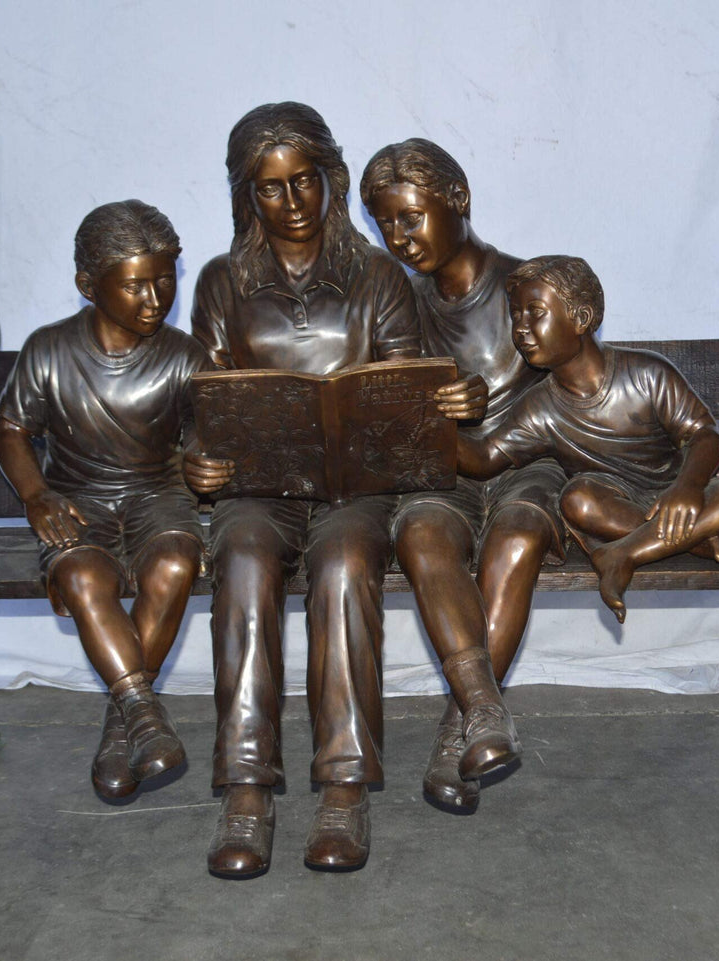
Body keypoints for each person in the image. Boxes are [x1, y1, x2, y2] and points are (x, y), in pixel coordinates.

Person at [184, 103, 481, 877]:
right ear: (246, 196)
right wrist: (200, 462)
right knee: (243, 558)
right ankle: (246, 787)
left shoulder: (377, 276)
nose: (290, 202)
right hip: (260, 485)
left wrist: (425, 409)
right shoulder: (222, 282)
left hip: (356, 486)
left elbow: (408, 387)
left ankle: (344, 786)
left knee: (346, 564)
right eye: (270, 188)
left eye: (303, 181)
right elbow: (205, 405)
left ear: (330, 179)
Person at [360, 139, 563, 813]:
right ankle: (482, 707)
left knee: (516, 538)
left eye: (410, 217)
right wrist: (430, 409)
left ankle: (457, 732)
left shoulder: (526, 288)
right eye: (384, 222)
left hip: (526, 468)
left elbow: (576, 387)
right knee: (419, 531)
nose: (398, 237)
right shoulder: (398, 304)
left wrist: (493, 407)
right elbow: (386, 411)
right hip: (442, 474)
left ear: (459, 201)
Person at [0, 200, 207, 801]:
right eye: (135, 285)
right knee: (84, 574)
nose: (154, 298)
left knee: (172, 564)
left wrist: (203, 463)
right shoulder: (50, 350)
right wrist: (36, 494)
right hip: (79, 503)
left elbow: (202, 439)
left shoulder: (183, 357)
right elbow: (11, 430)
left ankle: (124, 725)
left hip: (158, 499)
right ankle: (142, 711)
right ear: (89, 286)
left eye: (165, 280)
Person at [455, 255, 719, 623]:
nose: (521, 328)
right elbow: (484, 458)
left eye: (535, 312)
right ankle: (701, 544)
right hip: (615, 505)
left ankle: (622, 553)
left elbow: (703, 434)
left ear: (580, 318)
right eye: (516, 315)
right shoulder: (539, 407)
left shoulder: (646, 373)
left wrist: (687, 487)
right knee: (577, 500)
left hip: (676, 493)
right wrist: (428, 423)